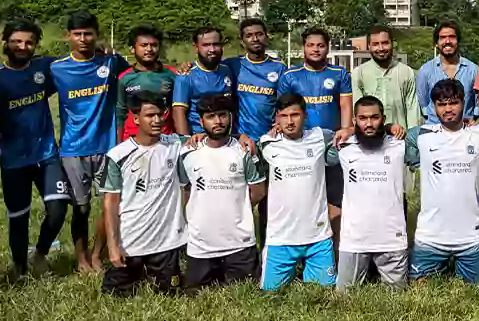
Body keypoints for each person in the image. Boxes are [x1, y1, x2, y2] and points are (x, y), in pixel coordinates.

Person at [405, 79, 479, 284]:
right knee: (419, 289)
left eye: (453, 103)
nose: (448, 109)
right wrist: (388, 127)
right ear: (434, 107)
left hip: (471, 238)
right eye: (442, 104)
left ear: (464, 103)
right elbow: (391, 142)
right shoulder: (420, 135)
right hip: (430, 237)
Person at [0, 20, 69, 278]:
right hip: (13, 160)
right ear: (6, 42)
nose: (23, 46)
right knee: (18, 218)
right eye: (17, 41)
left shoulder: (45, 67)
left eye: (29, 42)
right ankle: (19, 269)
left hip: (46, 154)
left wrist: (104, 51)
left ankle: (40, 255)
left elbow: (78, 61)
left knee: (58, 209)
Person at [51, 10, 129, 274]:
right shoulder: (56, 68)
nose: (83, 39)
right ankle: (81, 258)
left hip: (108, 148)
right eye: (77, 34)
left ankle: (99, 254)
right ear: (68, 36)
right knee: (81, 208)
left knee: (113, 204)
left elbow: (140, 69)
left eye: (88, 34)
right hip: (73, 149)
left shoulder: (111, 62)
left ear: (97, 35)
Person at [101, 91, 186, 297]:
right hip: (131, 242)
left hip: (166, 244)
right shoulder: (118, 156)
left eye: (160, 115)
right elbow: (110, 204)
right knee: (115, 299)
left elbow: (212, 137)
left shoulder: (175, 145)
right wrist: (112, 247)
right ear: (136, 118)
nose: (157, 120)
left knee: (171, 296)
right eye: (150, 116)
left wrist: (242, 137)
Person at [177, 94, 265, 293]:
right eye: (211, 116)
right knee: (193, 297)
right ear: (201, 121)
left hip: (240, 245)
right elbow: (187, 191)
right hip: (201, 246)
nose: (218, 121)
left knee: (244, 296)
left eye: (222, 115)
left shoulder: (244, 151)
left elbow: (258, 192)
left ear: (231, 118)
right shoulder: (187, 152)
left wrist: (235, 206)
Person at [256, 94, 339, 290]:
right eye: (284, 116)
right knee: (270, 296)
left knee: (324, 294)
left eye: (295, 115)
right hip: (281, 238)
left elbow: (346, 134)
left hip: (318, 238)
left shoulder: (320, 136)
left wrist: (350, 128)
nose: (290, 121)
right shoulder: (266, 143)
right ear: (276, 118)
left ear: (305, 116)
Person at [278, 27, 353, 232]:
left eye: (320, 45)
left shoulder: (339, 74)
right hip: (302, 146)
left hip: (332, 144)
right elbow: (283, 109)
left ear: (327, 48)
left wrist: (346, 130)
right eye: (310, 45)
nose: (315, 50)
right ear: (303, 47)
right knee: (304, 199)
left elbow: (345, 105)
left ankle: (334, 251)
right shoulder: (290, 75)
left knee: (335, 200)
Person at [335, 96, 410, 291]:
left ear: (383, 118)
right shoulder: (342, 147)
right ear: (354, 121)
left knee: (398, 299)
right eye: (363, 118)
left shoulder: (400, 145)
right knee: (344, 298)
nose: (369, 124)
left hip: (392, 239)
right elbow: (307, 139)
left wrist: (390, 128)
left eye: (375, 118)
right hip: (353, 240)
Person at [225, 18, 286, 143]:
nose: (255, 39)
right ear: (242, 41)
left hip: (270, 136)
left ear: (266, 37)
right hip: (240, 138)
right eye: (249, 36)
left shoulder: (279, 68)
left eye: (259, 34)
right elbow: (208, 68)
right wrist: (187, 66)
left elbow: (284, 103)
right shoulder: (233, 65)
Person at [352, 24, 421, 132]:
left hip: (400, 138)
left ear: (392, 44)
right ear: (369, 46)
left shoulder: (406, 72)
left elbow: (412, 109)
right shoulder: (359, 73)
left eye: (385, 43)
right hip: (370, 138)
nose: (381, 48)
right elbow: (358, 112)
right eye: (375, 44)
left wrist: (412, 138)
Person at [116, 25, 177, 142]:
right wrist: (119, 146)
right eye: (144, 45)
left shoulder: (172, 75)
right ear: (132, 49)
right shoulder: (124, 78)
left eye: (154, 45)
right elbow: (120, 114)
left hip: (165, 140)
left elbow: (178, 110)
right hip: (133, 140)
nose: (149, 49)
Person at [415, 20, 479, 124]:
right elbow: (424, 105)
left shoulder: (473, 70)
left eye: (452, 37)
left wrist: (472, 118)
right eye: (442, 38)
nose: (447, 41)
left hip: (465, 131)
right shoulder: (425, 71)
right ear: (436, 43)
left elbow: (478, 103)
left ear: (458, 40)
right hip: (435, 131)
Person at [173, 26, 233, 136]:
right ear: (196, 47)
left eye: (216, 44)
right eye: (206, 45)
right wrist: (186, 141)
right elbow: (179, 112)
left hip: (225, 138)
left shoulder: (227, 70)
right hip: (199, 140)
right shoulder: (186, 75)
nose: (212, 49)